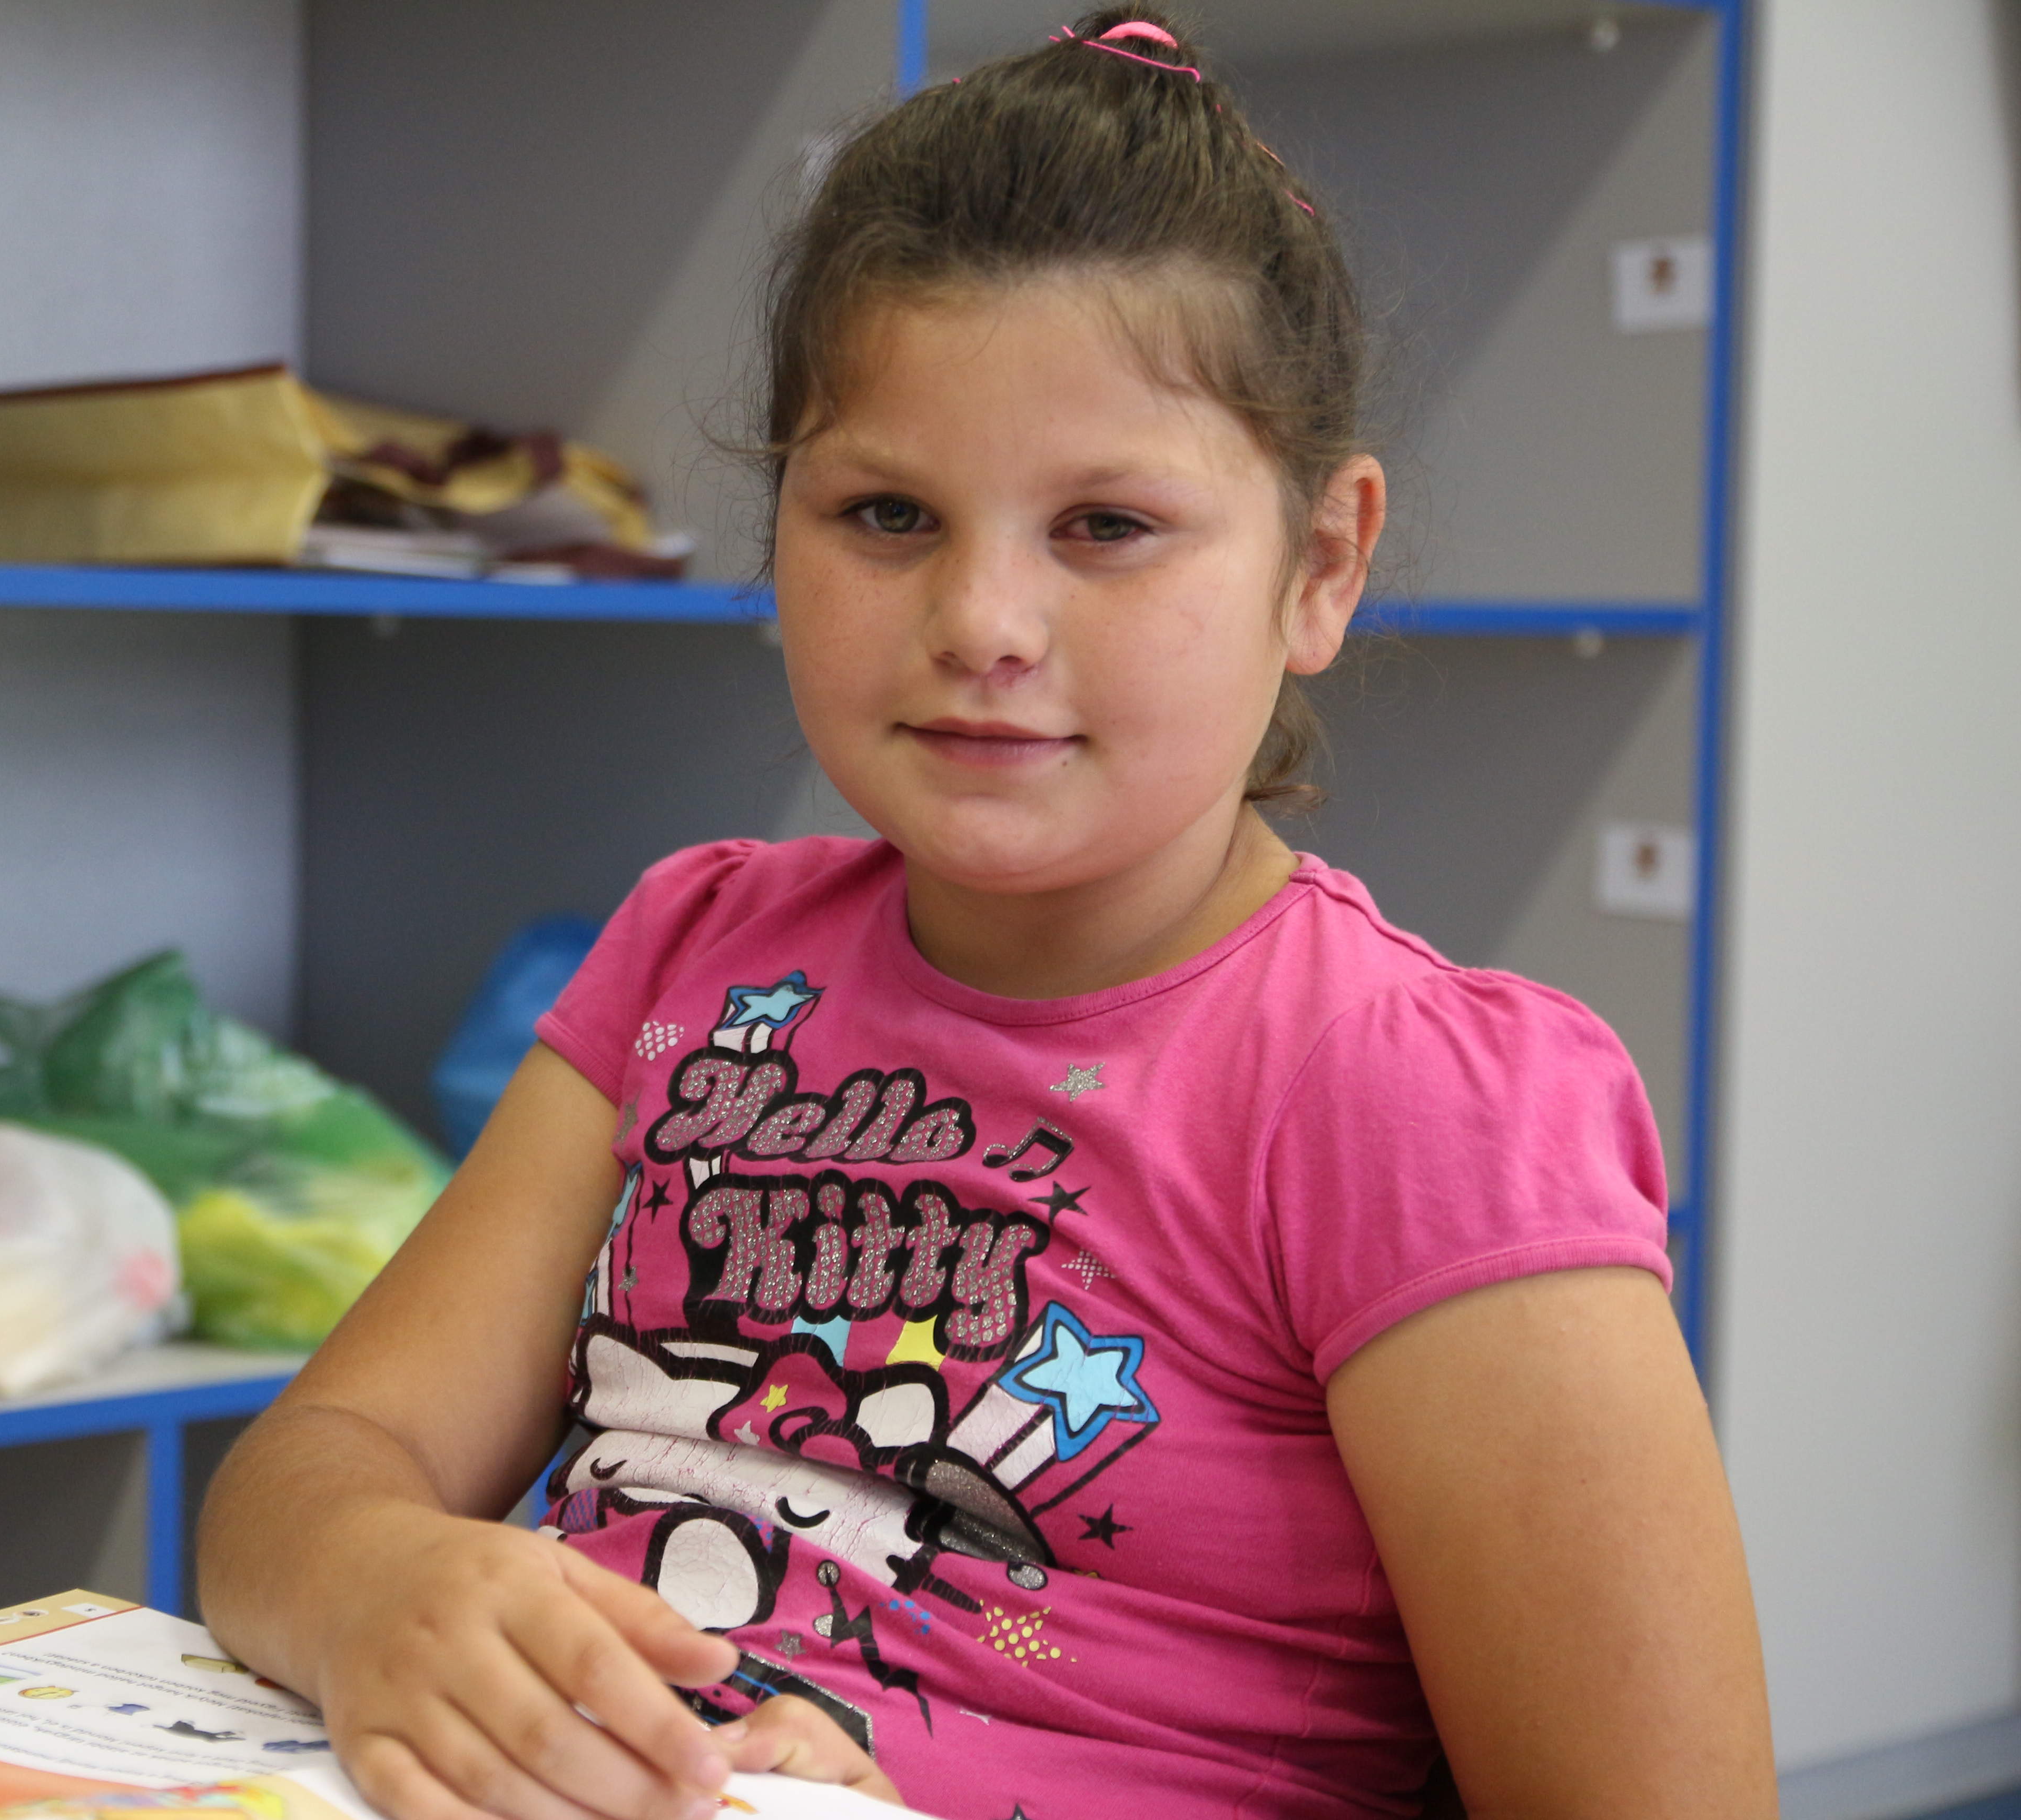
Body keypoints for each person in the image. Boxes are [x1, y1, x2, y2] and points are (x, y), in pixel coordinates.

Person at [195, 11, 1774, 1818]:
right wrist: (379, 1585)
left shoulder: (1417, 1100)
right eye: (887, 514)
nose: (983, 624)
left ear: (1322, 566)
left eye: (1106, 527)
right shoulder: (690, 957)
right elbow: (316, 1467)